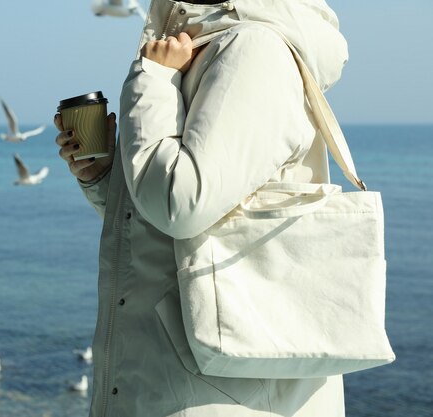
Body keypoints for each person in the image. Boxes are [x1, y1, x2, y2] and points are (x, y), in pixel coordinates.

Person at [54, 0, 349, 416]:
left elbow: (181, 205)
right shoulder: (202, 45)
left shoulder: (254, 50)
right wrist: (103, 177)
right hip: (171, 383)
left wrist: (153, 81)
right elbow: (167, 226)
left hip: (210, 395)